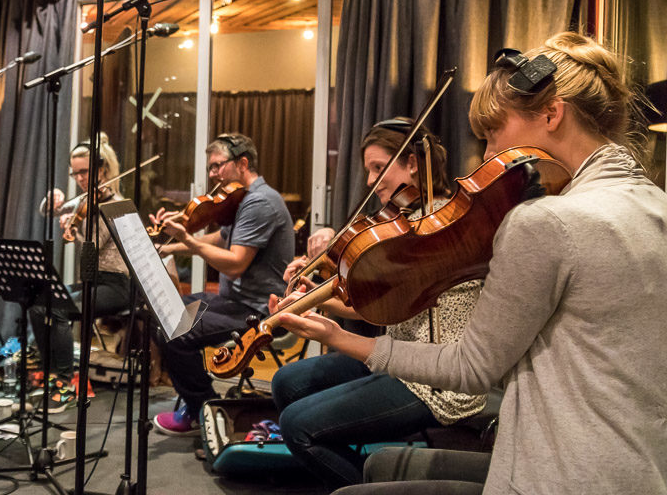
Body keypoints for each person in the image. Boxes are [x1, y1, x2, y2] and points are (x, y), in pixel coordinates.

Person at [275, 32, 667, 495]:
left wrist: (338, 338)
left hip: (554, 474)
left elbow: (471, 369)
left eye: (493, 132)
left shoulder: (548, 221)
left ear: (551, 113)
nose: (487, 156)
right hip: (639, 470)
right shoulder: (653, 205)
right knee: (379, 468)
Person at [271, 119, 487, 490]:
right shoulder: (403, 221)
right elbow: (385, 305)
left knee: (297, 425)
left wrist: (329, 314)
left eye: (378, 167)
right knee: (287, 381)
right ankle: (337, 472)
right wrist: (318, 303)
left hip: (435, 382)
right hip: (393, 360)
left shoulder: (442, 226)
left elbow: (390, 299)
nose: (370, 181)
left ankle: (362, 486)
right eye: (368, 170)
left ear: (413, 164)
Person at [151, 132, 294, 435]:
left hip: (256, 310)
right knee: (163, 311)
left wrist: (187, 238)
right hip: (233, 303)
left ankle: (203, 409)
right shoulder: (242, 199)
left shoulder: (260, 202)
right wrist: (172, 247)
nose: (213, 174)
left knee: (174, 332)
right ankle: (198, 401)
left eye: (218, 166)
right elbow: (222, 238)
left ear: (243, 163)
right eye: (211, 168)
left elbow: (236, 263)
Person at [33, 133, 132, 408]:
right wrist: (51, 200)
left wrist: (72, 228)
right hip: (93, 281)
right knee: (37, 304)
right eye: (75, 174)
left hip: (116, 286)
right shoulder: (85, 200)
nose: (79, 179)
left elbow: (95, 245)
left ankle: (65, 384)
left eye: (84, 172)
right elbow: (48, 212)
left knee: (59, 310)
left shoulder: (113, 204)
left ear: (102, 169)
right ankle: (51, 373)